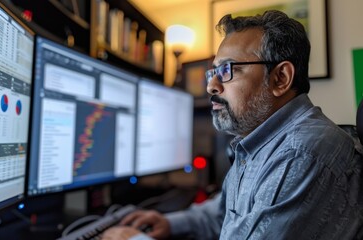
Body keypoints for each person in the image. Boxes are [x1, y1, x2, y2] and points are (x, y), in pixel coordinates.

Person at [101, 10, 363, 240]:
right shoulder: (258, 143)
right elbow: (225, 214)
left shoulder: (300, 153)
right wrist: (169, 223)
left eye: (227, 70)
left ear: (280, 78)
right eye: (213, 72)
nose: (211, 85)